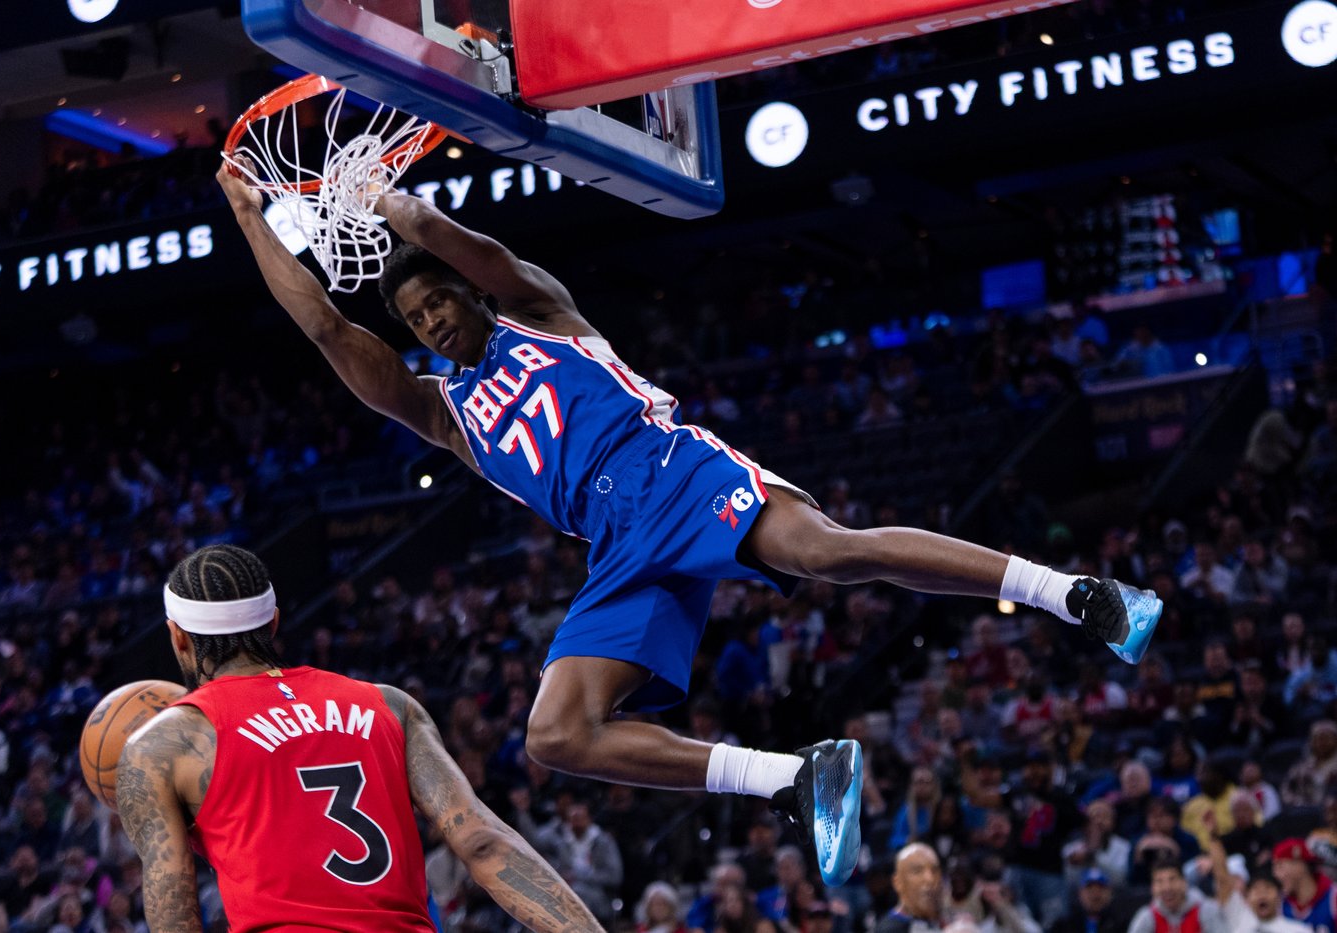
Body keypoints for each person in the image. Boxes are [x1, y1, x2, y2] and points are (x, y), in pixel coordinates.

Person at [217, 161, 1162, 885]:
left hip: (671, 469)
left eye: (437, 302)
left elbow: (453, 241)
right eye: (416, 318)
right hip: (614, 542)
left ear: (469, 294)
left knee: (828, 551)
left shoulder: (540, 311)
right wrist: (251, 217)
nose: (430, 322)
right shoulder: (445, 414)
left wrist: (384, 201)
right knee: (557, 734)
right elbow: (328, 330)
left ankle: (1079, 594)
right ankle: (794, 777)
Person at [116, 544, 603, 933]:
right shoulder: (390, 704)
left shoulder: (164, 745)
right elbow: (483, 843)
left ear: (178, 637)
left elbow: (175, 917)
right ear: (274, 622)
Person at [1209, 838, 1311, 933]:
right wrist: (1213, 837)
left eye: (1268, 889)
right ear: (1247, 898)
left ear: (1279, 896)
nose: (1262, 894)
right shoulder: (1239, 918)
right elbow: (1222, 879)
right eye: (1256, 890)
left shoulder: (1298, 930)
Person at [1125, 857, 1226, 933]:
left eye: (1172, 879)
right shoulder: (1146, 917)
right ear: (1153, 888)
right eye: (1159, 881)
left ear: (1184, 883)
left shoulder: (1206, 910)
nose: (1167, 888)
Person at [878, 843, 945, 933]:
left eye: (934, 870)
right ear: (897, 882)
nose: (930, 879)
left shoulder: (946, 922)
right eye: (918, 871)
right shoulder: (889, 929)